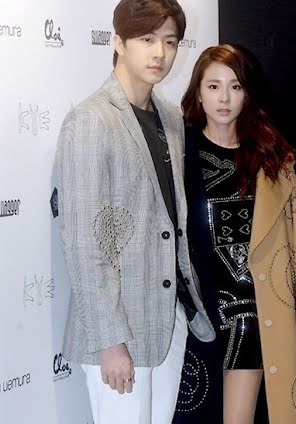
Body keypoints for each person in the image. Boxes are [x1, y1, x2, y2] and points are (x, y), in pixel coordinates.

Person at [53, 1, 216, 423]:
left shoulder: (171, 119)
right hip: (117, 328)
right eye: (147, 39)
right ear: (119, 42)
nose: (160, 53)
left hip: (168, 319)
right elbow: (84, 243)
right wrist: (110, 341)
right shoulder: (90, 121)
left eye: (170, 42)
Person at [176, 43, 296, 424]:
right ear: (198, 93)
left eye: (235, 86)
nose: (224, 98)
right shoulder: (178, 155)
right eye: (213, 87)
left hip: (250, 317)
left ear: (247, 93)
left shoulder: (271, 159)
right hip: (192, 317)